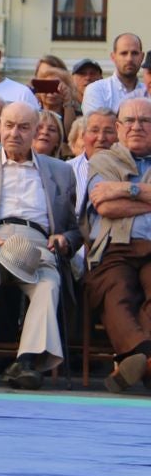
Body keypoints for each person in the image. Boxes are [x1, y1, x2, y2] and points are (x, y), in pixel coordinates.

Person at [0, 102, 79, 389]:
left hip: (39, 246)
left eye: (24, 127)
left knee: (50, 284)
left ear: (35, 131)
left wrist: (63, 239)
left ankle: (24, 362)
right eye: (9, 125)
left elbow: (74, 229)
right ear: (0, 127)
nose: (15, 133)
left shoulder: (60, 171)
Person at [83, 97, 151, 392]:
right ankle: (146, 358)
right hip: (115, 245)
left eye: (145, 121)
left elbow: (114, 200)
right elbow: (106, 208)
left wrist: (125, 188)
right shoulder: (103, 160)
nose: (137, 126)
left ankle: (136, 360)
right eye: (130, 121)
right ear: (119, 128)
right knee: (115, 288)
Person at [82, 33, 146, 117]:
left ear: (142, 57)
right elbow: (98, 126)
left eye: (134, 53)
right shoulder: (96, 90)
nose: (129, 59)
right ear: (113, 57)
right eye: (124, 53)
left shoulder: (148, 91)